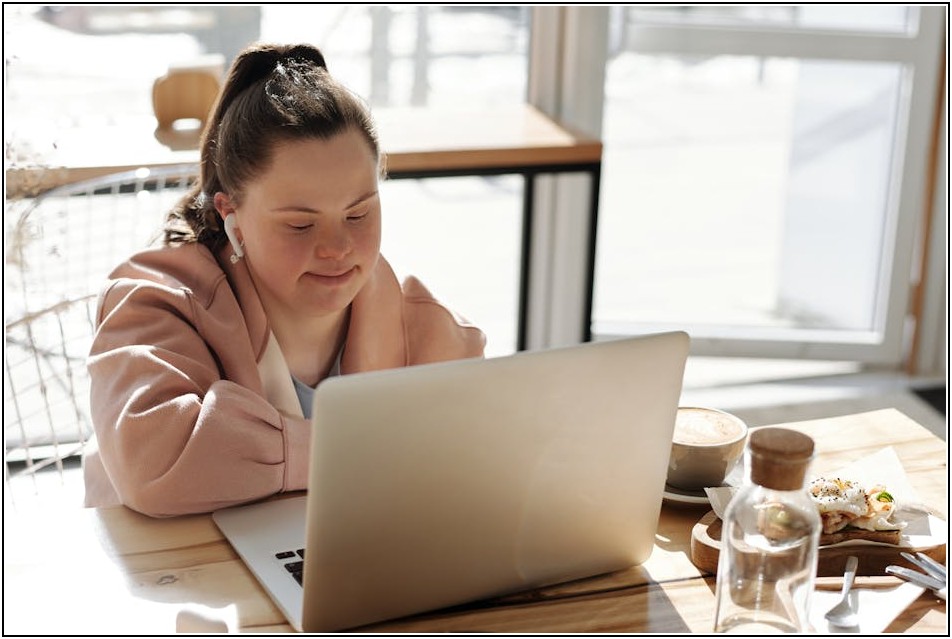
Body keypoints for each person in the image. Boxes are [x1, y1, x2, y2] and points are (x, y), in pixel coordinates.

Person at [83, 43, 486, 517]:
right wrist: (363, 452)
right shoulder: (155, 302)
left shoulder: (427, 325)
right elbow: (155, 464)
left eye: (358, 214)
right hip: (168, 577)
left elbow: (478, 462)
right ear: (231, 214)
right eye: (300, 224)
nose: (337, 248)